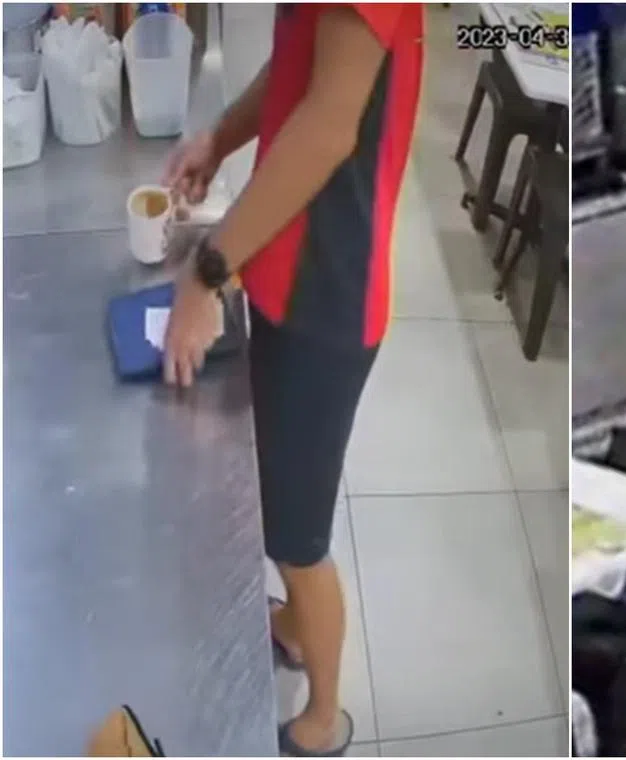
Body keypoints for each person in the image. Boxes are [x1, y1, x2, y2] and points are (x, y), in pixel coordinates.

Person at [161, 4, 422, 755]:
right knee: (278, 506)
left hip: (326, 299)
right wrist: (219, 139)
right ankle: (297, 632)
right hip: (286, 270)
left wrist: (208, 271)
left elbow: (327, 128)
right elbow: (298, 64)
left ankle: (324, 719)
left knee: (300, 537)